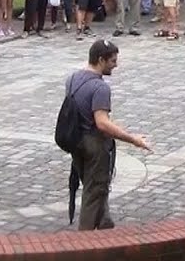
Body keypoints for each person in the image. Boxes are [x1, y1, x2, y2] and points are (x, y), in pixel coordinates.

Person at [65, 40, 151, 230]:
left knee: (95, 184)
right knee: (94, 190)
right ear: (101, 60)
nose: (116, 65)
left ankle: (105, 224)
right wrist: (133, 139)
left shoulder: (73, 79)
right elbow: (102, 123)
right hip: (94, 145)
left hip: (75, 141)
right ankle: (85, 239)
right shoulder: (100, 88)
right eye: (112, 61)